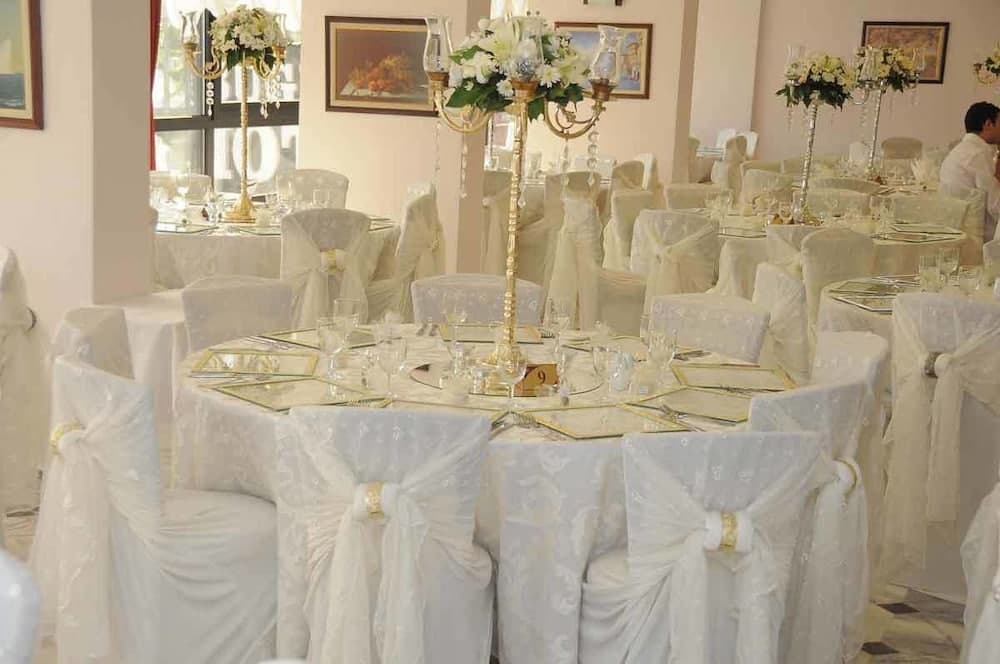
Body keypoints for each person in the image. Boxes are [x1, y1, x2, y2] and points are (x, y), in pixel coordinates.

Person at [939, 101, 1000, 240]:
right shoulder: (978, 155)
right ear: (988, 124)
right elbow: (995, 206)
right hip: (976, 237)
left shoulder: (961, 150)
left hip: (953, 229)